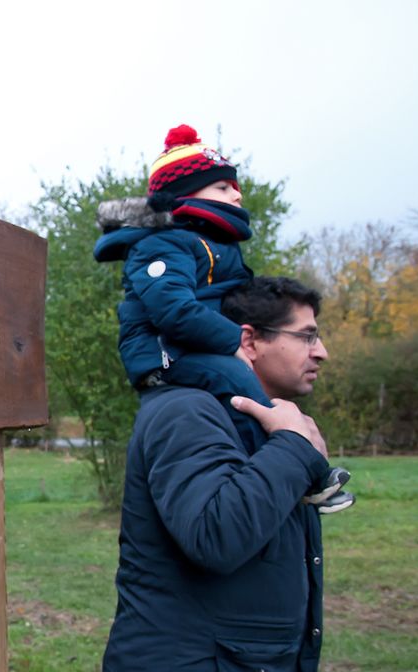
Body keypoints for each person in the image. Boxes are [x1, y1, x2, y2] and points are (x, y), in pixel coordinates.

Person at [103, 277, 332, 672]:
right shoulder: (188, 411)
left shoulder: (242, 417)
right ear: (248, 340)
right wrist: (295, 449)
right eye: (306, 336)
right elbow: (217, 532)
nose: (322, 350)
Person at [94, 124, 352, 513]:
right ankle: (294, 470)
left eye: (235, 185)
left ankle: (299, 469)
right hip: (165, 354)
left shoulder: (214, 245)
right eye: (222, 187)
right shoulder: (161, 245)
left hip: (196, 348)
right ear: (182, 195)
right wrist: (234, 341)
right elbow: (172, 310)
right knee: (240, 385)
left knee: (260, 390)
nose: (237, 193)